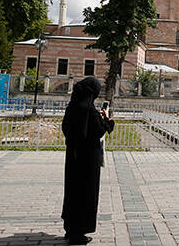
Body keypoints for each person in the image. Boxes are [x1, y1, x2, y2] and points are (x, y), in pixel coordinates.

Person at [61, 77, 114, 245]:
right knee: (85, 194)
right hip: (87, 160)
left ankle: (70, 229)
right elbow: (99, 131)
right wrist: (107, 119)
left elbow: (67, 128)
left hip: (73, 157)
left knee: (72, 192)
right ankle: (79, 234)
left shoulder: (73, 106)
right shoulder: (89, 110)